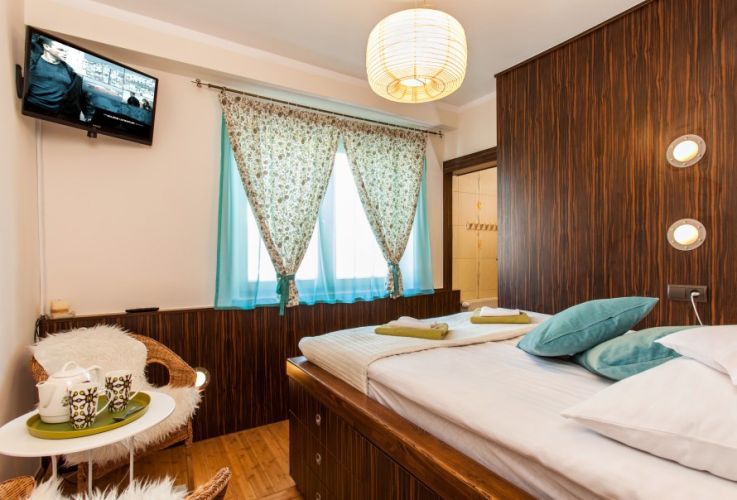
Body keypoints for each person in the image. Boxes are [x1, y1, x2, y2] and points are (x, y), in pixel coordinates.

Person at [25, 35, 93, 122]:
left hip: (56, 116)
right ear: (47, 47)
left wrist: (88, 115)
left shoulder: (70, 71)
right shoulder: (33, 62)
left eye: (66, 50)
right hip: (32, 108)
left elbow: (81, 95)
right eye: (60, 50)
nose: (65, 53)